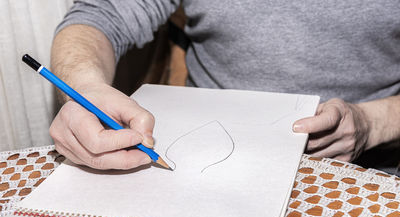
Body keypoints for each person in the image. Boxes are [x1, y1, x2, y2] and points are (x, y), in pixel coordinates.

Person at [50, 0, 400, 172]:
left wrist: (374, 122)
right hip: (200, 164)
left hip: (364, 170)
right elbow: (100, 16)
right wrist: (85, 87)